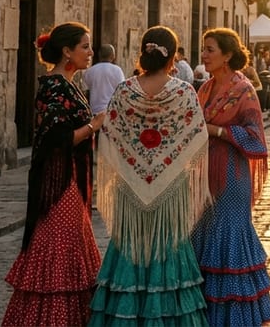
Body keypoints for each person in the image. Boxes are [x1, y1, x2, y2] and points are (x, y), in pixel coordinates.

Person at [90, 26, 210, 325]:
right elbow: (197, 136)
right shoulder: (183, 92)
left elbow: (111, 135)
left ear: (142, 53)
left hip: (129, 186)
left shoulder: (125, 91)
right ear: (173, 59)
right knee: (168, 247)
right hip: (171, 187)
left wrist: (135, 165)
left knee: (129, 246)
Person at [3, 22, 104, 326]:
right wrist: (95, 126)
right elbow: (59, 139)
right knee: (59, 249)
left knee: (70, 248)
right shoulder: (56, 86)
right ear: (67, 51)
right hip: (61, 182)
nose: (90, 52)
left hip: (72, 178)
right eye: (85, 46)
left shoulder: (69, 84)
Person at [191, 27, 270, 325]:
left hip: (230, 175)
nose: (204, 54)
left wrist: (216, 131)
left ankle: (236, 314)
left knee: (228, 235)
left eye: (210, 49)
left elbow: (255, 137)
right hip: (203, 176)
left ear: (227, 55)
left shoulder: (244, 90)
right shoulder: (203, 88)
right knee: (203, 235)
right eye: (203, 48)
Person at [82, 44, 125, 116]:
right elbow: (122, 91)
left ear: (99, 55)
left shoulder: (89, 71)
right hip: (111, 112)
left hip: (94, 112)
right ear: (113, 56)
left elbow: (85, 93)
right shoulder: (117, 70)